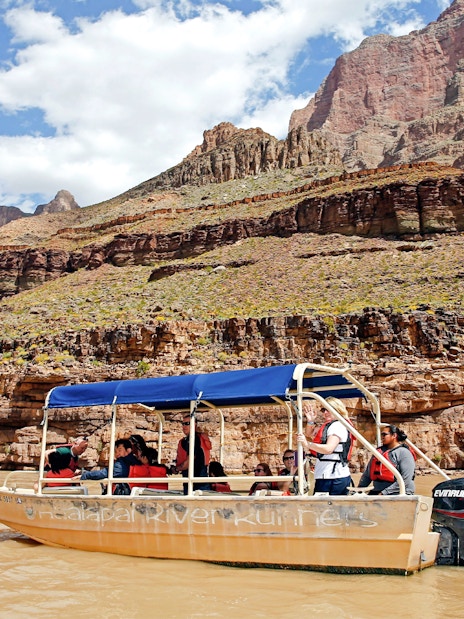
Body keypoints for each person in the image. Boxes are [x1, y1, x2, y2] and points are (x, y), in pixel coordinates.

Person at [297, 397, 354, 496]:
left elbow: (328, 449)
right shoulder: (330, 425)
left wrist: (307, 444)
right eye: (323, 410)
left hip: (333, 477)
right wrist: (310, 421)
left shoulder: (337, 426)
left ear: (337, 409)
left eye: (328, 409)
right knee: (322, 509)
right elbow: (309, 433)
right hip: (327, 476)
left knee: (326, 510)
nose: (325, 413)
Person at [358, 424, 416, 495]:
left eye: (384, 434)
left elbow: (406, 478)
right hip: (378, 490)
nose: (382, 437)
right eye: (381, 435)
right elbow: (367, 475)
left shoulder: (404, 453)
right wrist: (359, 490)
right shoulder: (379, 452)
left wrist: (384, 493)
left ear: (394, 436)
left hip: (399, 491)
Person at [175, 415, 211, 493]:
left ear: (194, 424)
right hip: (195, 480)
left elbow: (189, 462)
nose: (184, 426)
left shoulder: (193, 439)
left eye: (187, 423)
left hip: (197, 482)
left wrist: (176, 469)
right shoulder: (190, 439)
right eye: (183, 423)